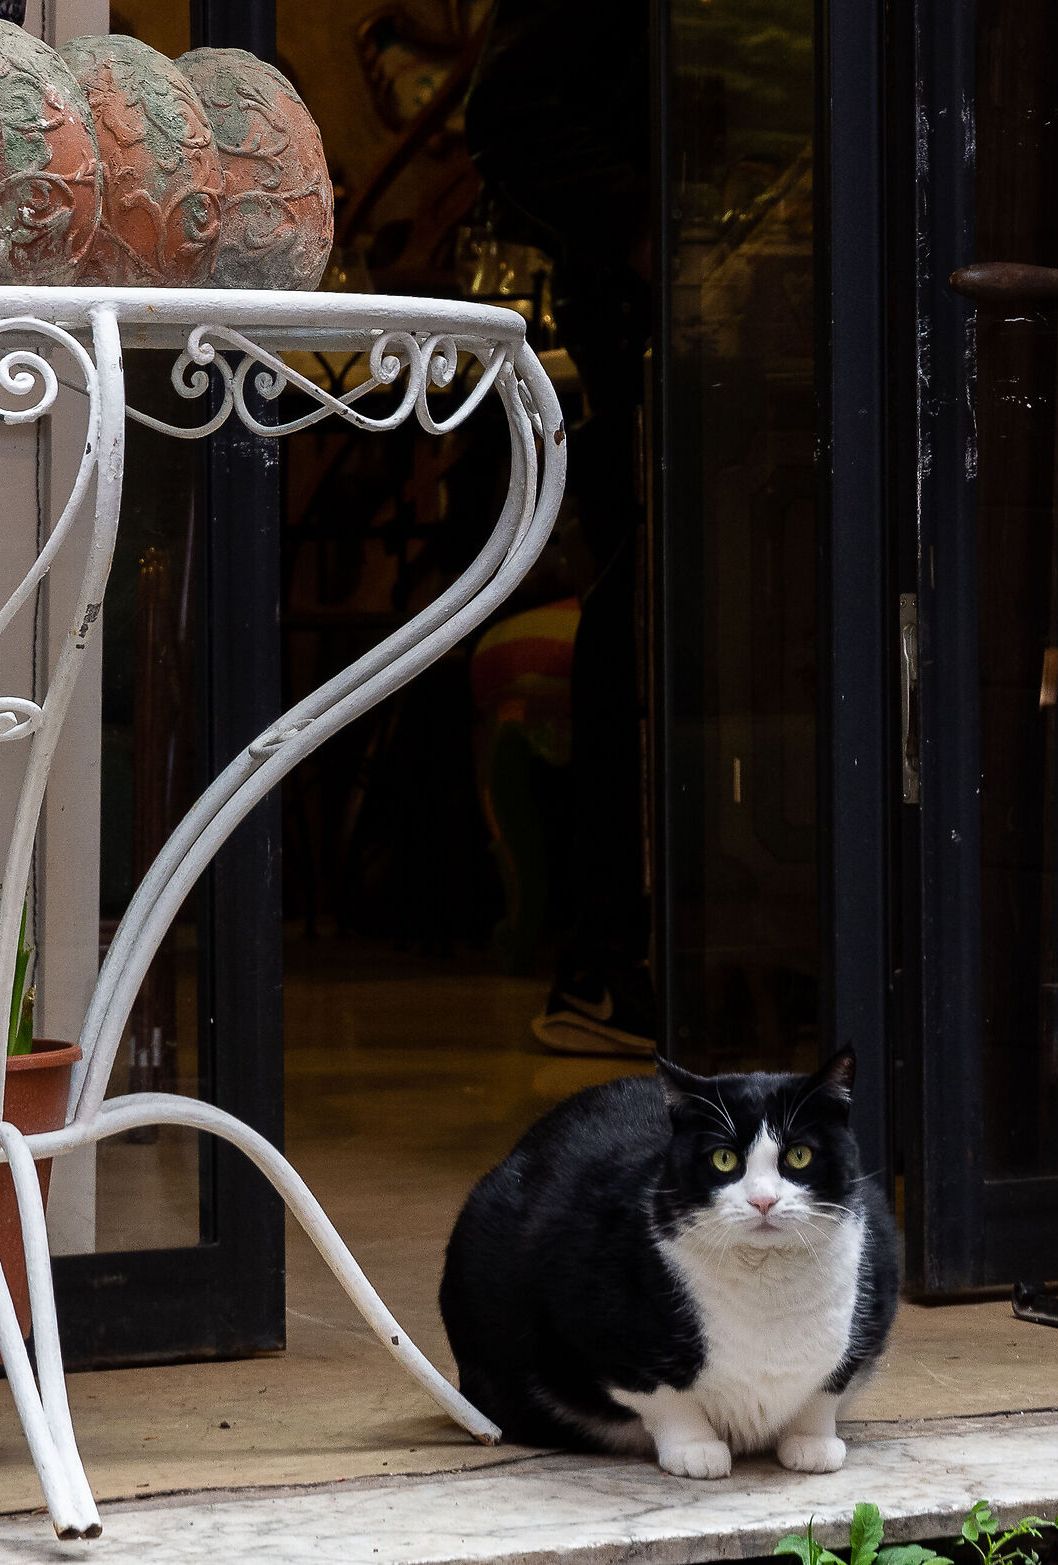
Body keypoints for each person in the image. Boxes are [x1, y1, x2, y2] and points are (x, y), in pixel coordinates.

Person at [460, 0, 655, 1054]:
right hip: (653, 311)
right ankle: (616, 958)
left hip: (747, 297)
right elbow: (510, 112)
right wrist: (641, 231)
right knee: (645, 592)